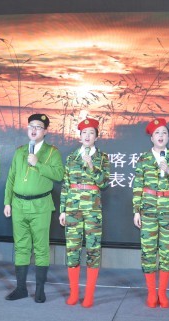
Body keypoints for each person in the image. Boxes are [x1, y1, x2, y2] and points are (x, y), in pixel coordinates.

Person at [4, 113, 64, 303]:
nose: (33, 130)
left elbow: (59, 175)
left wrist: (38, 163)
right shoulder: (20, 151)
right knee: (21, 246)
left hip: (40, 205)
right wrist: (7, 202)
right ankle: (21, 288)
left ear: (45, 131)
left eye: (38, 127)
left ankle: (40, 290)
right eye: (31, 126)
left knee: (40, 248)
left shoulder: (52, 152)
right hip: (18, 204)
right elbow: (11, 177)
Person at [132, 118, 169, 308]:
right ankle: (151, 293)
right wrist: (136, 211)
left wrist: (168, 170)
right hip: (148, 208)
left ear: (168, 136)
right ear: (151, 138)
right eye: (157, 133)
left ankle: (162, 293)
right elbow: (137, 186)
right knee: (148, 251)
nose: (161, 136)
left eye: (164, 133)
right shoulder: (144, 159)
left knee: (167, 251)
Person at [59, 118, 110, 307]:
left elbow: (104, 183)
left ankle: (89, 295)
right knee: (72, 250)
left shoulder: (102, 157)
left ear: (96, 137)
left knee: (93, 250)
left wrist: (92, 166)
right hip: (72, 208)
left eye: (91, 133)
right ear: (80, 136)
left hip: (93, 210)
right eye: (84, 133)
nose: (87, 136)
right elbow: (65, 184)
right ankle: (74, 293)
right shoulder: (71, 157)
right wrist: (63, 210)